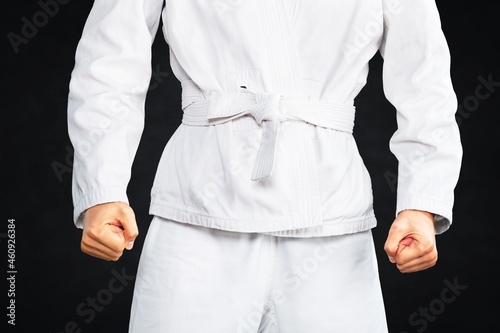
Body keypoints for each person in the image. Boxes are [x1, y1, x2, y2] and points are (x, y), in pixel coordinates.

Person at [67, 0, 462, 332]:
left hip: (331, 228)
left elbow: (423, 79)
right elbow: (109, 62)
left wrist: (421, 203)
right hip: (196, 218)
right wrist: (102, 190)